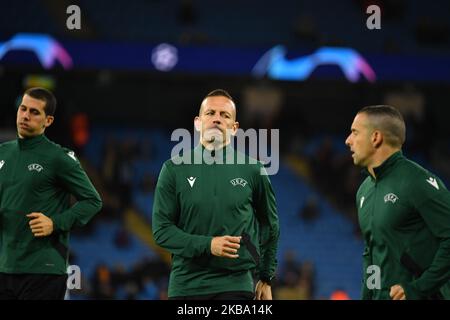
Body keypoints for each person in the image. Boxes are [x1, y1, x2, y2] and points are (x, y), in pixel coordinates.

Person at [152, 89, 280, 300]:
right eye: (210, 113)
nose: (217, 119)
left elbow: (270, 225)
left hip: (236, 284)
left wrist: (266, 277)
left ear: (235, 128)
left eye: (225, 115)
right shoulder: (173, 169)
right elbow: (161, 231)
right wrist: (209, 245)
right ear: (197, 122)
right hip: (186, 286)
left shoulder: (253, 170)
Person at [0, 87, 102, 299]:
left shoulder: (59, 158)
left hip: (43, 270)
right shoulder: (3, 153)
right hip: (5, 266)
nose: (26, 115)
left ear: (48, 121)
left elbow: (92, 201)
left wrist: (55, 223)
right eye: (23, 109)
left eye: (35, 112)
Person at [345, 105, 450, 300]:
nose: (348, 140)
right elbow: (372, 254)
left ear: (375, 137)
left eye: (354, 133)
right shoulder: (364, 191)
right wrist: (367, 296)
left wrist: (418, 288)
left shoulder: (416, 181)